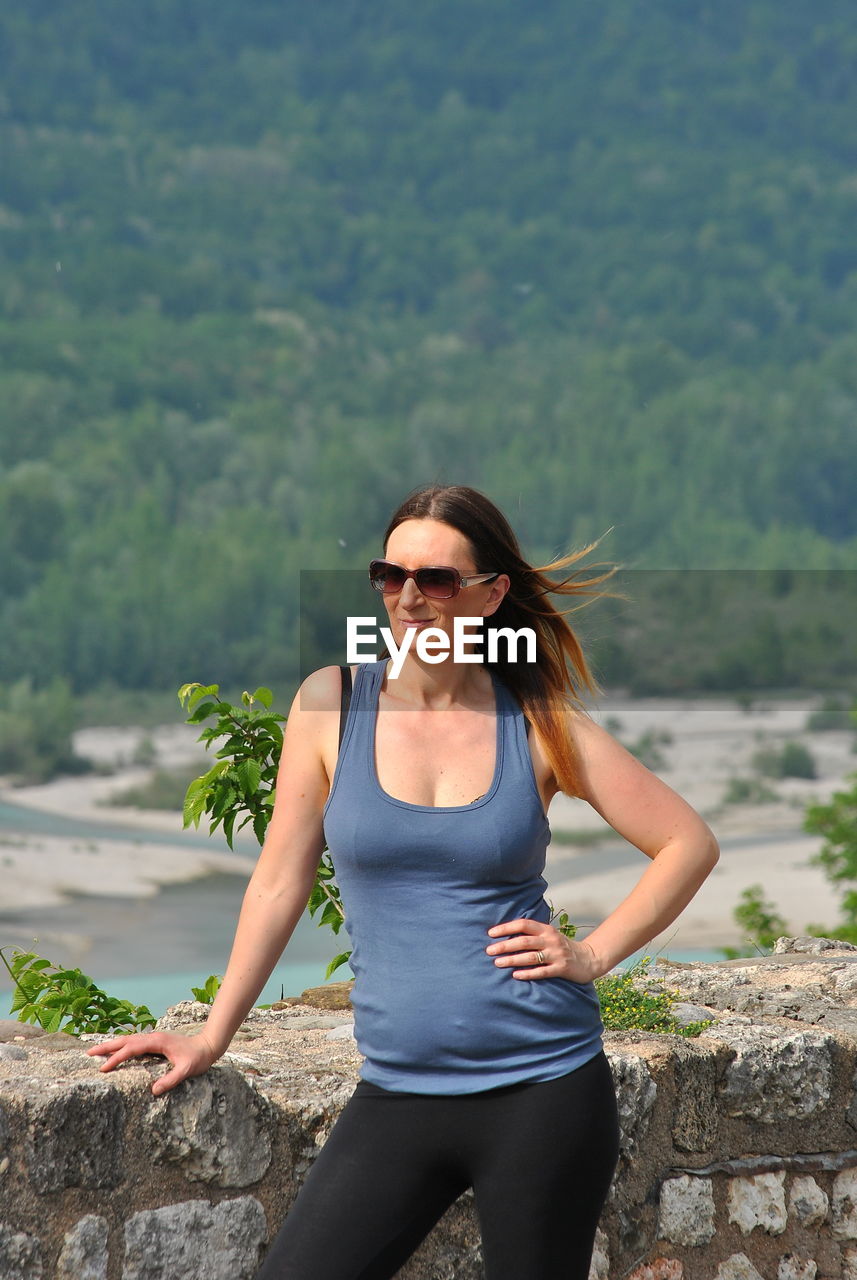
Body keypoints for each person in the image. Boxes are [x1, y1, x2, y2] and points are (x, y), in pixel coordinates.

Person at [88, 484, 719, 1280]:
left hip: (544, 1091)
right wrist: (213, 1034)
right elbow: (280, 881)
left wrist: (591, 954)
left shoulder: (537, 720)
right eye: (391, 577)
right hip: (396, 1095)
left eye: (437, 580)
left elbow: (686, 842)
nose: (410, 598)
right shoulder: (333, 702)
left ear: (490, 596)